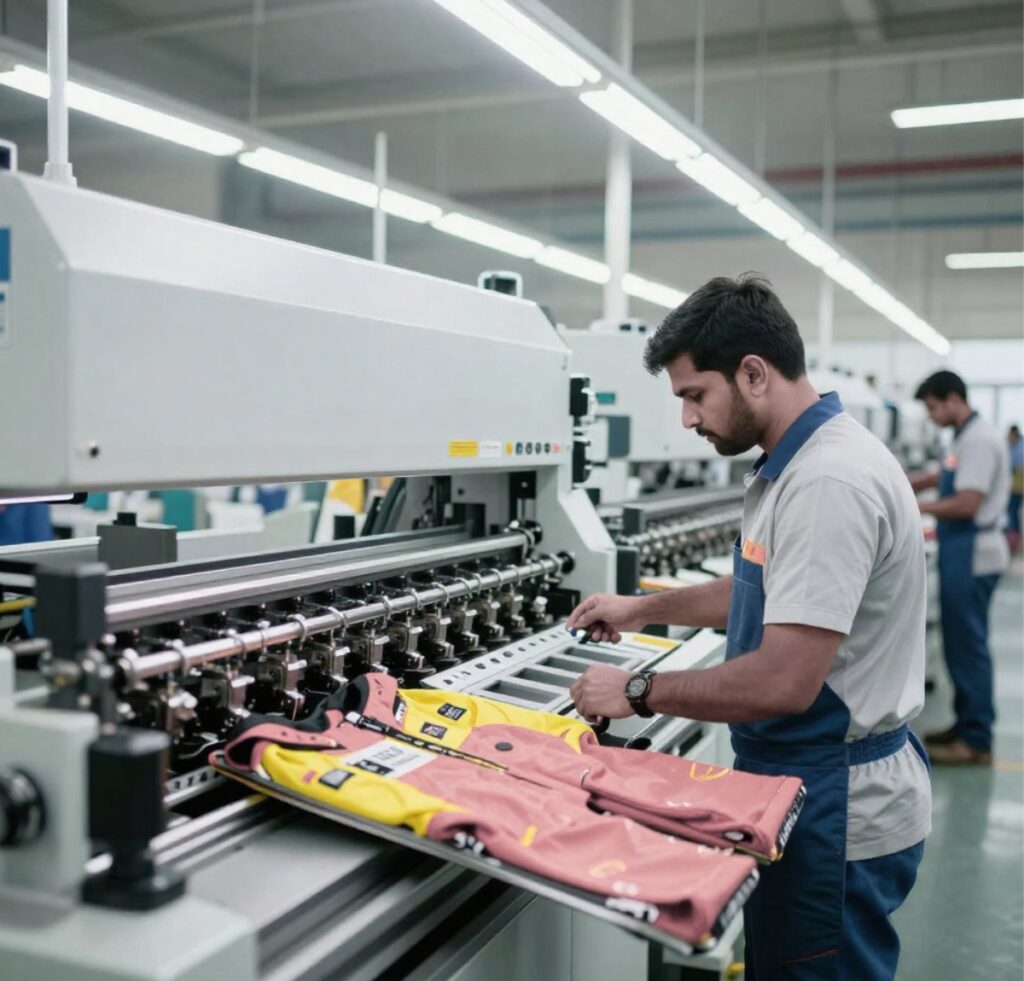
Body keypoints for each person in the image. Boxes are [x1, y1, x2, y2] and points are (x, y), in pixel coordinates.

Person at [567, 274, 930, 981]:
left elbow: (785, 680)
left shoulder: (829, 482)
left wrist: (636, 689)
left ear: (753, 373)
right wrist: (641, 607)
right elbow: (765, 592)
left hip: (836, 806)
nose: (687, 419)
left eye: (694, 395)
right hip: (804, 786)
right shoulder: (791, 466)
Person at [910, 372, 1010, 765]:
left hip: (972, 551)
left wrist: (910, 505)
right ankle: (966, 722)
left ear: (953, 399)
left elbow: (967, 502)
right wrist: (907, 482)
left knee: (968, 647)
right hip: (960, 548)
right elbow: (945, 474)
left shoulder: (980, 439)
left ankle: (976, 739)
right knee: (959, 644)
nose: (932, 416)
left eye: (933, 407)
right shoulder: (965, 437)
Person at [1007, 424, 1023, 553]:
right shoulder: (1017, 446)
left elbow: (1015, 465)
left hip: (1017, 487)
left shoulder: (1019, 448)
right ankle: (1015, 539)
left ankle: (1013, 540)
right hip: (1017, 486)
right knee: (1014, 512)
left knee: (1012, 512)